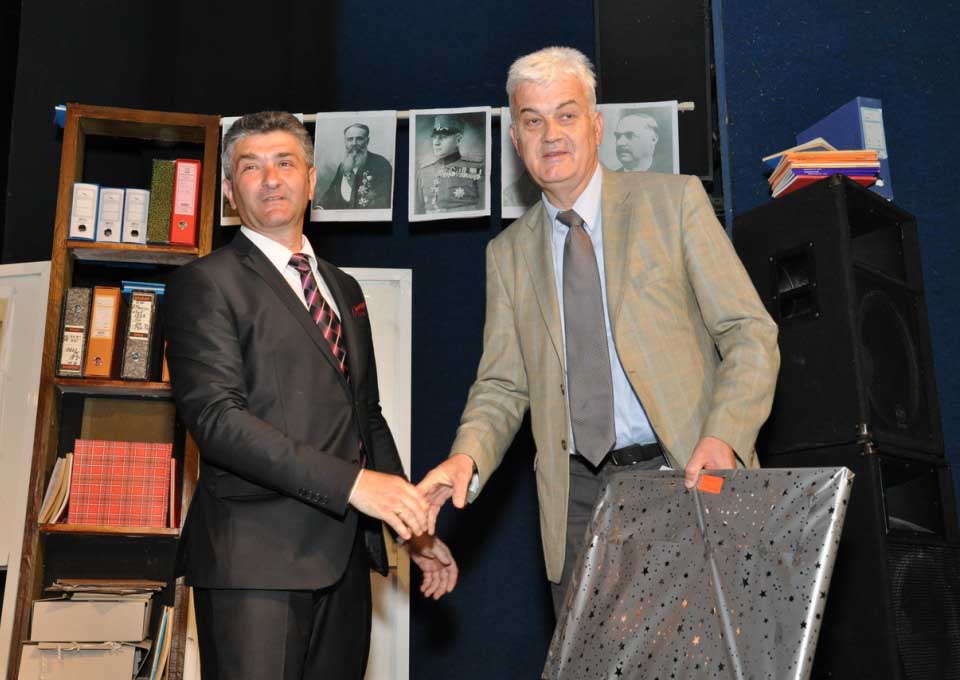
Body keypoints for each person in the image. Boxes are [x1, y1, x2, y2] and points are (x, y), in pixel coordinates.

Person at [419, 47, 779, 615]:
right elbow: (502, 386)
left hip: (688, 471)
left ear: (595, 124)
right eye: (533, 121)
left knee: (705, 650)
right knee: (591, 657)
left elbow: (749, 333)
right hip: (577, 502)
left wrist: (725, 436)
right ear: (515, 139)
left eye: (566, 114)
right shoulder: (506, 255)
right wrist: (466, 458)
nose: (551, 135)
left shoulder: (674, 202)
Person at [163, 111, 457, 680]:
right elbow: (219, 422)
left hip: (345, 562)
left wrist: (414, 528)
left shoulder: (343, 287)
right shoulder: (204, 283)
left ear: (312, 179)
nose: (271, 179)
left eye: (285, 162)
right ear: (230, 191)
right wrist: (355, 485)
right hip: (253, 563)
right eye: (251, 167)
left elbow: (365, 416)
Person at [415, 114, 485, 214]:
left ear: (458, 139)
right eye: (434, 137)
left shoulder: (477, 168)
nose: (436, 143)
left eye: (442, 137)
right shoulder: (423, 172)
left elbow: (484, 208)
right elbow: (418, 211)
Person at [316, 123, 393, 210]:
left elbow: (383, 199)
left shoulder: (381, 164)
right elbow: (332, 192)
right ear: (345, 142)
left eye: (359, 139)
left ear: (367, 141)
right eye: (350, 139)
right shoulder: (343, 166)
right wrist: (320, 207)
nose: (354, 143)